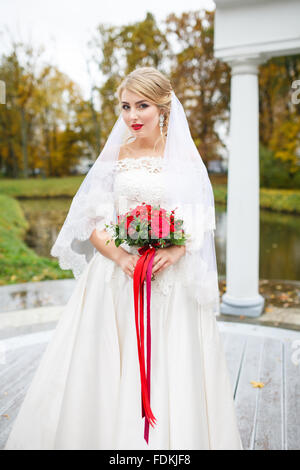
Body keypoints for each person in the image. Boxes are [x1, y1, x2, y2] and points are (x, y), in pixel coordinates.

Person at [4, 67, 243, 450]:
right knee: (105, 363)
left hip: (170, 281)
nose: (132, 116)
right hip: (117, 277)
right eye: (126, 106)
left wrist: (177, 247)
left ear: (163, 108)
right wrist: (120, 257)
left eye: (142, 105)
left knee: (172, 364)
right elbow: (92, 223)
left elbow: (198, 222)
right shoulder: (115, 156)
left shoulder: (184, 159)